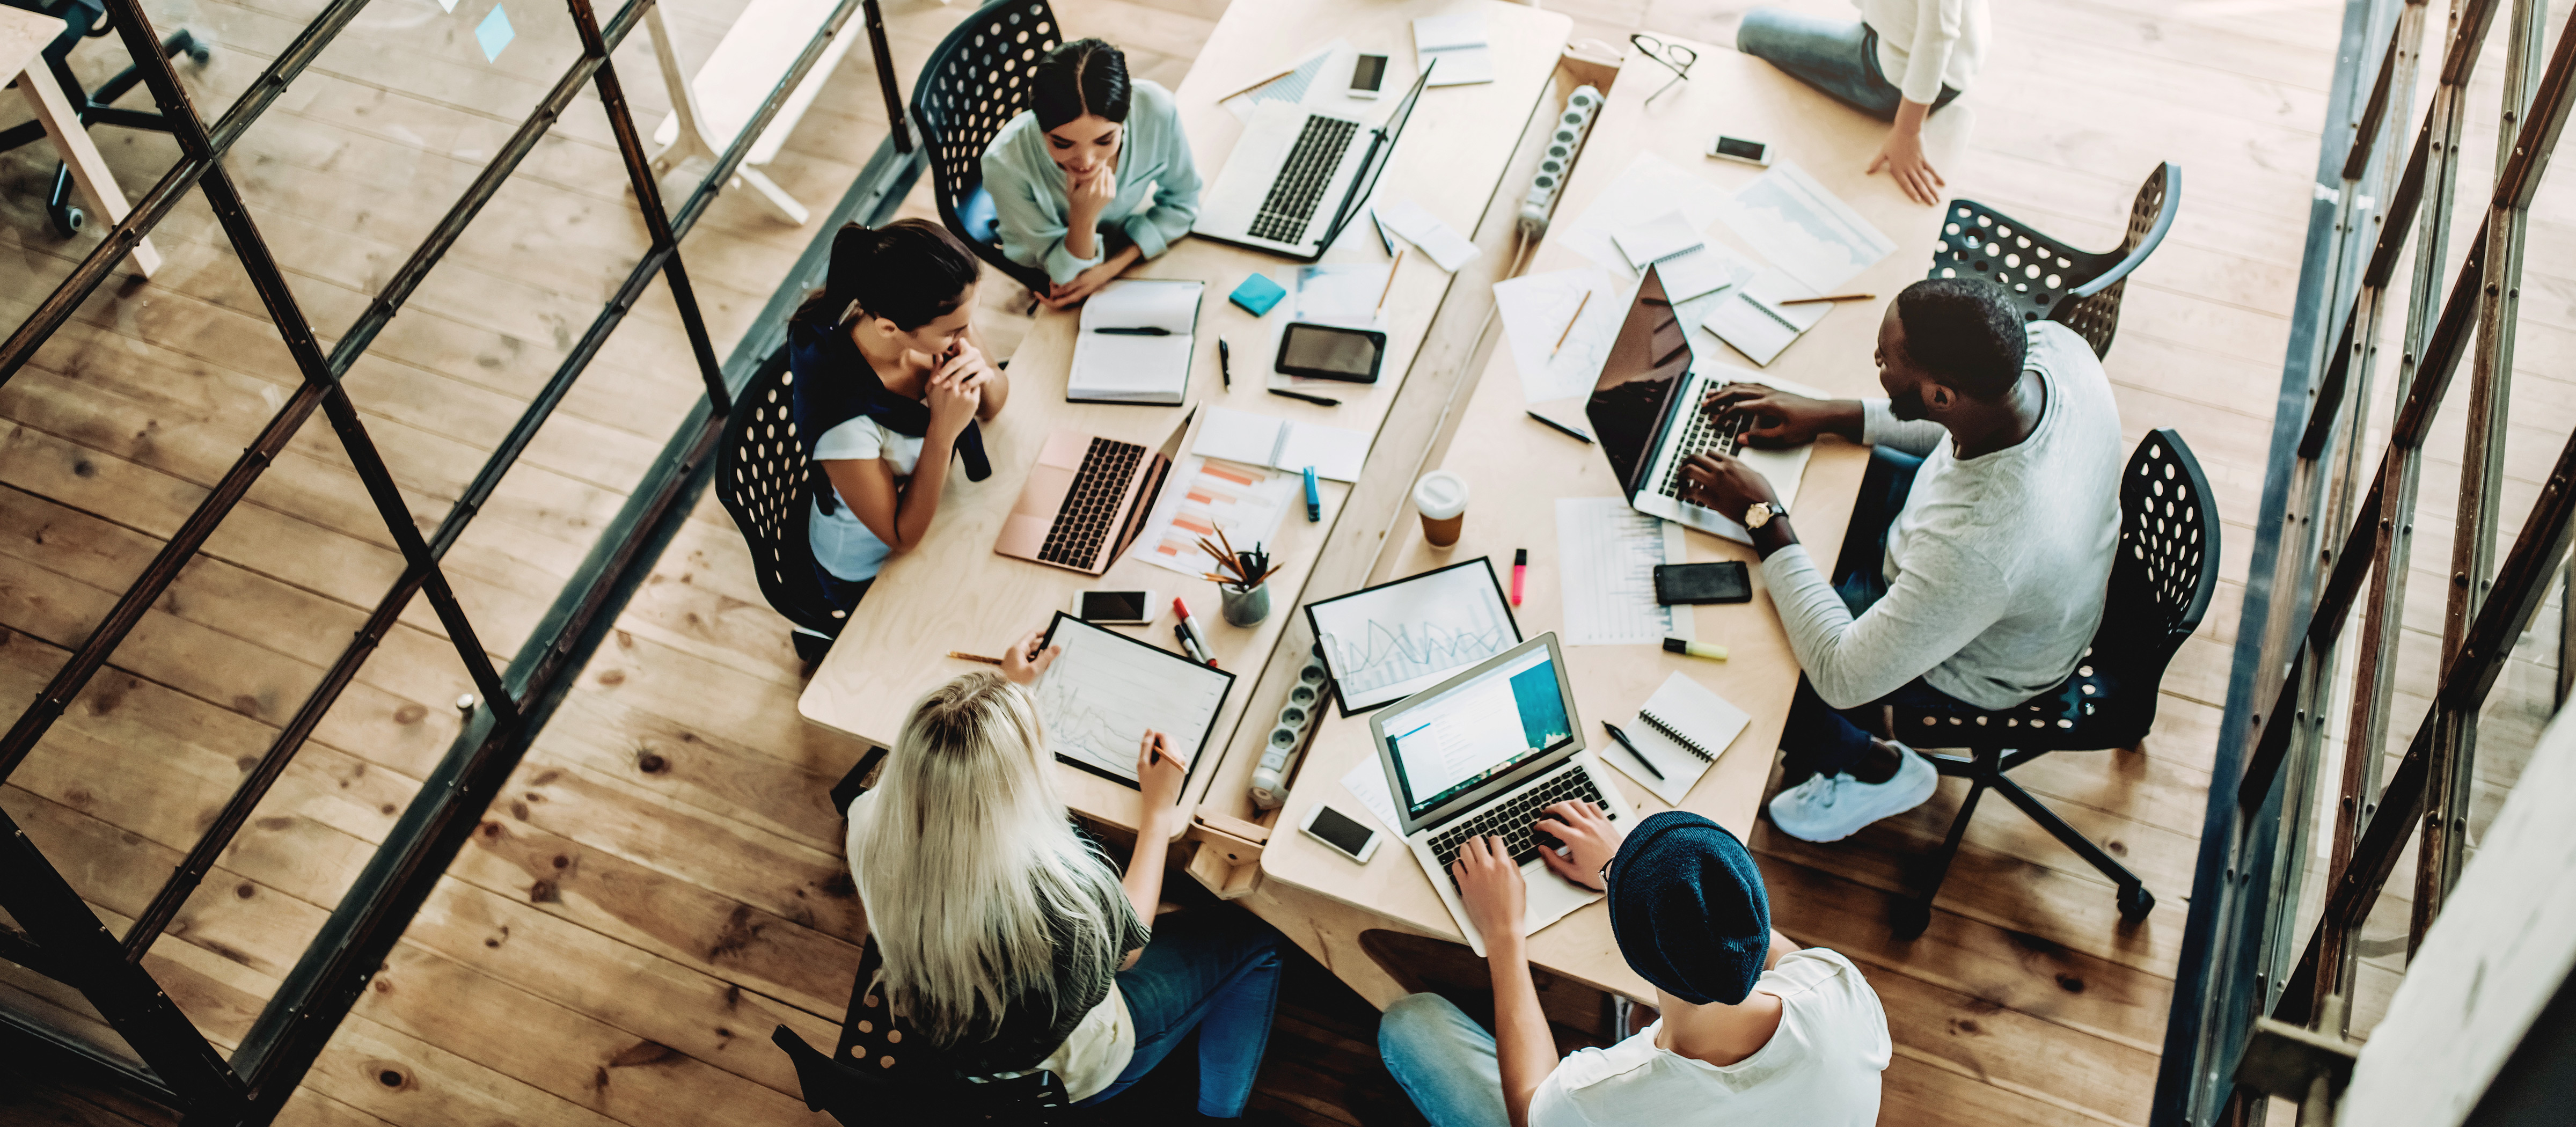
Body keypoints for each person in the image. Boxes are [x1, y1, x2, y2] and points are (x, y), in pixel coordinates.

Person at [1680, 279, 2121, 843]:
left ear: (1939, 397)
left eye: (1886, 362)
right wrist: (1828, 415)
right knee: (1814, 515)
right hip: (1974, 555)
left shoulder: (1983, 544)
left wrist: (1763, 516)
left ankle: (1878, 768)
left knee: (1756, 658)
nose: (1876, 363)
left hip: (1984, 659)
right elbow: (1955, 429)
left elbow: (1844, 677)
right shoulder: (2053, 350)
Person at [843, 631, 1284, 1115]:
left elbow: (951, 781)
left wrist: (1000, 695)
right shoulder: (1060, 900)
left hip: (952, 1035)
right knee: (1259, 939)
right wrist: (1158, 813)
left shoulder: (866, 822)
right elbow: (1131, 948)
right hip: (1074, 1069)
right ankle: (1219, 1111)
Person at [1378, 807, 1890, 1126]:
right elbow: (1748, 932)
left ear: (1633, 953)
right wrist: (1627, 872)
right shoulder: (1838, 986)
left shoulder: (1606, 1097)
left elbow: (1530, 1110)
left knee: (1410, 1022)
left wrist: (1504, 935)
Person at [787, 219, 1008, 627]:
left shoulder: (939, 316)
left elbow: (994, 403)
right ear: (889, 327)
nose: (966, 335)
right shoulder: (845, 420)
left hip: (936, 503)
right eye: (956, 331)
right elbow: (900, 536)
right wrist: (943, 431)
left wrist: (982, 373)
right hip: (872, 564)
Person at [982, 38, 1202, 309]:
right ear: (1039, 125)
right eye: (1062, 144)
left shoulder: (1157, 109)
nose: (1086, 162)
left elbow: (1185, 201)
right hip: (1052, 260)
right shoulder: (1004, 164)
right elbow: (1067, 278)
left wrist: (1109, 269)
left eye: (1105, 140)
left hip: (1115, 249)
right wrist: (1083, 217)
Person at [1735, 0, 1989, 204]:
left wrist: (1907, 130)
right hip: (1961, 56)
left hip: (1902, 76)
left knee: (1752, 30)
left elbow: (1937, 37)